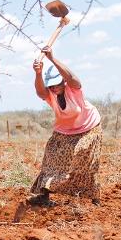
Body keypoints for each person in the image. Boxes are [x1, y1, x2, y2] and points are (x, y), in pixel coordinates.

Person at [29, 45, 102, 206]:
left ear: (63, 82)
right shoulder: (50, 95)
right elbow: (40, 92)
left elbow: (73, 78)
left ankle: (93, 197)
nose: (54, 88)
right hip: (65, 131)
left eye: (57, 84)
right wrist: (38, 73)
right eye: (51, 86)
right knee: (51, 156)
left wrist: (52, 59)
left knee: (83, 158)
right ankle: (43, 194)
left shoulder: (73, 89)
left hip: (88, 128)